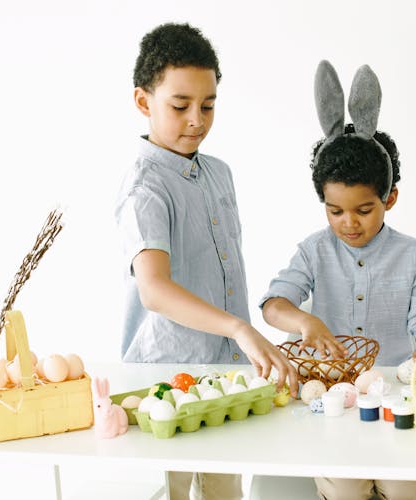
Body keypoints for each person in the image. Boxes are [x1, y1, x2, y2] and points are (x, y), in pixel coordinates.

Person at [114, 22, 298, 500]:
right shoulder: (145, 189)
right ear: (143, 102)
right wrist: (239, 327)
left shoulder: (219, 174)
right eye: (180, 106)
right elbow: (153, 289)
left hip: (228, 375)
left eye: (209, 104)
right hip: (166, 380)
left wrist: (240, 340)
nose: (197, 119)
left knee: (225, 490)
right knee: (171, 490)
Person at [260, 61, 416, 500]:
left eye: (364, 210)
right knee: (345, 487)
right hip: (331, 403)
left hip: (395, 397)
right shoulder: (312, 250)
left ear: (390, 199)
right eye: (334, 210)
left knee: (400, 488)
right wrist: (305, 323)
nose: (348, 223)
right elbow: (273, 304)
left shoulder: (413, 256)